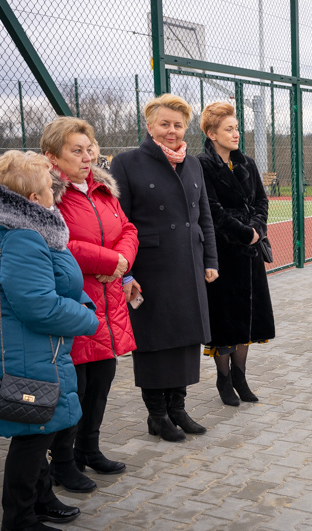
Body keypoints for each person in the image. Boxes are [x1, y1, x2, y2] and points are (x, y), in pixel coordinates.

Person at [0, 150, 99, 531]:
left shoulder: (22, 231)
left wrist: (79, 306)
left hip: (35, 348)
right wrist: (89, 318)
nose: (55, 190)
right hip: (23, 350)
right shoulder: (22, 237)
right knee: (32, 435)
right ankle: (18, 521)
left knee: (41, 426)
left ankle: (41, 500)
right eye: (47, 186)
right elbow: (39, 305)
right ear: (33, 200)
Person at [110, 94, 219, 442]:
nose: (171, 131)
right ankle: (156, 415)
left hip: (189, 262)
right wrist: (126, 272)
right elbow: (119, 222)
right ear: (149, 125)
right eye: (164, 124)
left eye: (178, 125)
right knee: (155, 343)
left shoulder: (193, 163)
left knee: (185, 339)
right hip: (151, 267)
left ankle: (178, 408)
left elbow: (204, 216)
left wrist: (211, 260)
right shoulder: (127, 162)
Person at [41, 119, 139, 492]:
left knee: (101, 381)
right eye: (76, 151)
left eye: (90, 148)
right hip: (75, 300)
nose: (87, 157)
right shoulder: (48, 193)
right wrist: (106, 261)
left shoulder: (103, 189)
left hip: (109, 299)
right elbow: (57, 241)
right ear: (52, 156)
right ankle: (61, 461)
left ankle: (89, 449)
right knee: (73, 389)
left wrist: (122, 262)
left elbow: (128, 229)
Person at [196, 102, 275, 405]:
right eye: (228, 129)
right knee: (225, 319)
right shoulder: (202, 165)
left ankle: (240, 376)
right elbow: (211, 209)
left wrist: (255, 229)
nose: (236, 133)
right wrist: (243, 233)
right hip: (223, 254)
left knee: (247, 318)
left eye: (237, 128)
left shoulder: (247, 163)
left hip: (250, 254)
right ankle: (224, 379)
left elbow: (261, 202)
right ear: (211, 133)